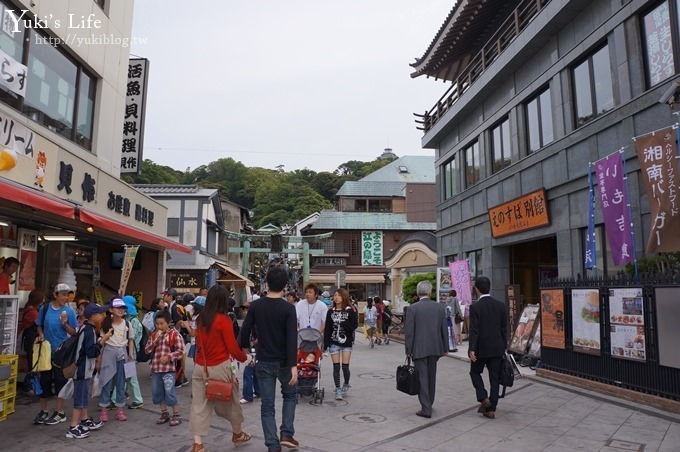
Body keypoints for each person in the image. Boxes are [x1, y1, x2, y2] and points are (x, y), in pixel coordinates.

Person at [239, 266, 298, 452]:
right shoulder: (288, 308)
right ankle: (286, 433)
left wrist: (247, 353)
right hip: (284, 362)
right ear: (285, 285)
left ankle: (272, 444)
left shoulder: (256, 306)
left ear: (267, 283)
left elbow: (244, 332)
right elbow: (291, 338)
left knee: (267, 405)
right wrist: (293, 366)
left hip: (263, 360)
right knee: (289, 396)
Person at [190, 285, 251, 451]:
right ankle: (237, 434)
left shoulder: (200, 319)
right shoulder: (224, 320)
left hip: (200, 367)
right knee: (232, 403)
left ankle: (198, 444)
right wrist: (246, 358)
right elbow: (232, 347)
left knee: (198, 405)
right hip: (219, 367)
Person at [33, 283, 78, 425]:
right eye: (63, 294)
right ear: (55, 295)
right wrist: (40, 335)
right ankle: (44, 411)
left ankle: (60, 412)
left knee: (60, 382)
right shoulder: (45, 308)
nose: (65, 297)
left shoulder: (69, 312)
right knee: (44, 381)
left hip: (61, 352)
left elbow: (74, 332)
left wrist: (65, 324)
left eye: (67, 294)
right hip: (46, 351)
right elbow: (39, 325)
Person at [404, 280, 448, 419]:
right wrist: (445, 347)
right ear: (429, 292)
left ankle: (426, 408)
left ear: (418, 293)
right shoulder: (440, 308)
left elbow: (410, 332)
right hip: (435, 347)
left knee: (422, 377)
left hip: (419, 348)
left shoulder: (413, 308)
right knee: (431, 376)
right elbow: (444, 330)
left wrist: (408, 349)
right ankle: (429, 402)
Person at [65, 303, 109, 439]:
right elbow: (91, 352)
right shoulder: (89, 331)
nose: (103, 316)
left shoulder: (86, 327)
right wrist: (102, 341)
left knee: (83, 396)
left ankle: (84, 420)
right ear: (93, 317)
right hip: (81, 370)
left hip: (83, 369)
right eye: (100, 314)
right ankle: (73, 427)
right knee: (80, 399)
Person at [468, 276, 508, 420]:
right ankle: (491, 409)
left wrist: (471, 349)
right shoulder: (500, 305)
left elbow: (474, 330)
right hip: (497, 347)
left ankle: (483, 397)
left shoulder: (475, 307)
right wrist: (504, 346)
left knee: (475, 372)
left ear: (477, 289)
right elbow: (504, 329)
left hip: (480, 348)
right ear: (489, 288)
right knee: (494, 378)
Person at [145, 310, 185, 427]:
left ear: (168, 322)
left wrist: (169, 357)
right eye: (157, 324)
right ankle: (164, 413)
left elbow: (181, 351)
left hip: (168, 369)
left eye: (162, 323)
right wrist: (154, 342)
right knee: (157, 392)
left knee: (169, 391)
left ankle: (176, 414)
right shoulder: (153, 335)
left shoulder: (174, 334)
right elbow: (147, 350)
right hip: (156, 369)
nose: (159, 326)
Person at [98, 297, 134, 422]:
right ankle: (104, 410)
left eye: (122, 308)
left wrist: (130, 354)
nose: (120, 310)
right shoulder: (106, 324)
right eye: (118, 308)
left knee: (121, 383)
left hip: (122, 354)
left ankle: (120, 410)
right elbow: (102, 342)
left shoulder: (127, 323)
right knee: (106, 382)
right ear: (111, 309)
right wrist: (99, 359)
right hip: (109, 353)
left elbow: (130, 340)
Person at [323, 288, 358, 400]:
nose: (336, 297)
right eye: (335, 295)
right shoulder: (330, 311)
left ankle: (346, 383)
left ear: (344, 297)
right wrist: (325, 344)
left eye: (339, 295)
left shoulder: (349, 311)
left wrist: (343, 323)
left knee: (345, 367)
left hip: (346, 342)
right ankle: (338, 389)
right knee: (336, 367)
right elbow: (327, 329)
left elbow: (354, 326)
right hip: (334, 342)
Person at [123, 295, 144, 409]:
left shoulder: (133, 321)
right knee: (126, 376)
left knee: (131, 376)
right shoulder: (129, 319)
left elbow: (132, 337)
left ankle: (138, 399)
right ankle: (117, 397)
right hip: (128, 352)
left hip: (130, 353)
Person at [20, 289, 43, 384]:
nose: (43, 301)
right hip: (31, 340)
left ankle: (30, 384)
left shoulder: (28, 308)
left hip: (29, 339)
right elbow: (39, 324)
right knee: (32, 364)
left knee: (31, 363)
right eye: (42, 299)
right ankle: (29, 385)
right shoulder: (33, 312)